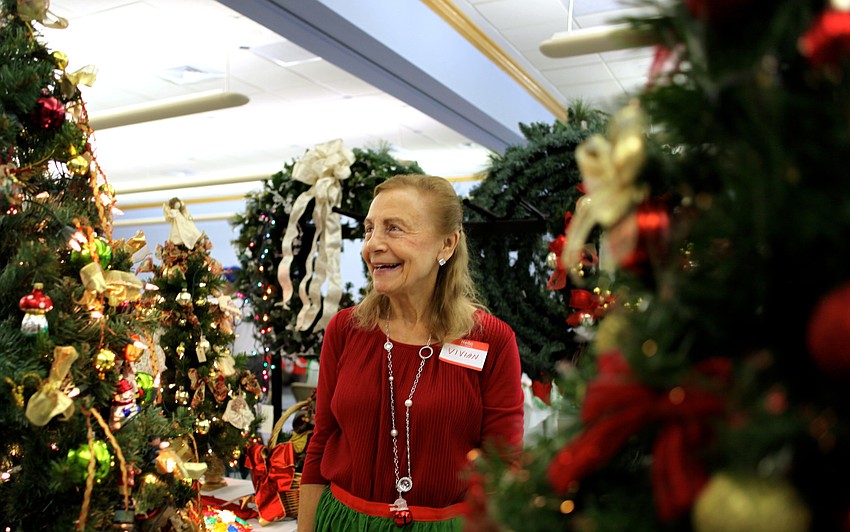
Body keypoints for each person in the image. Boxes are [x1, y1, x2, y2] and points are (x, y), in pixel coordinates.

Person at [297, 174, 524, 531]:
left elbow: (501, 470)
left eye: (394, 229)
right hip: (341, 521)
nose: (372, 245)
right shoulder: (346, 329)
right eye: (370, 229)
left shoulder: (491, 341)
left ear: (446, 245)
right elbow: (321, 443)